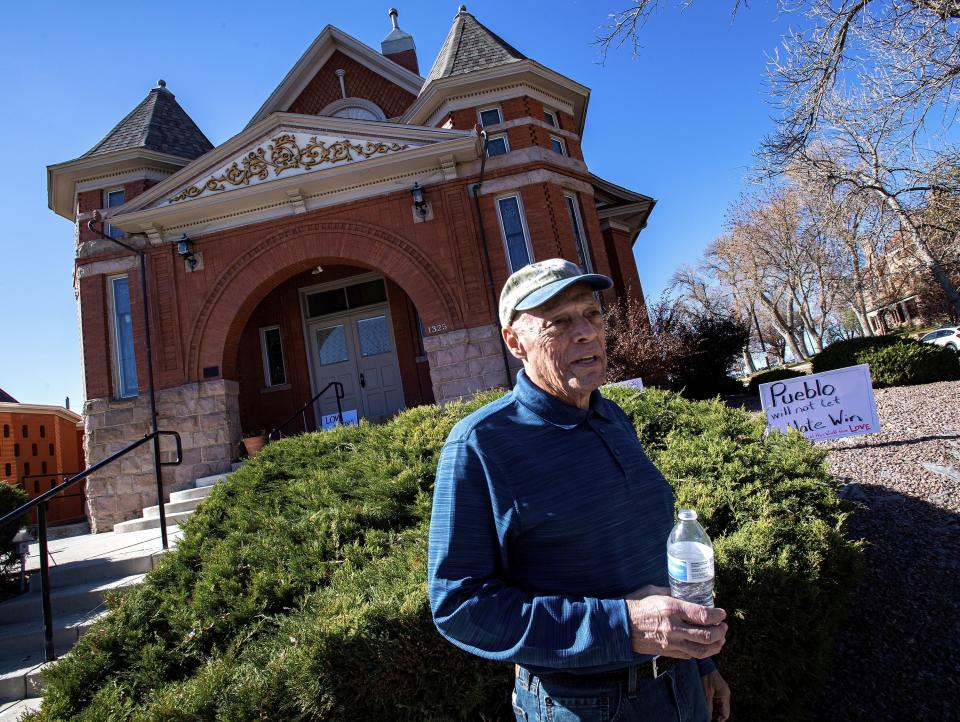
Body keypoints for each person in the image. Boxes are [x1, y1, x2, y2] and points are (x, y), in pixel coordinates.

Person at [427, 259, 732, 721]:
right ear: (515, 343)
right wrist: (621, 625)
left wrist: (701, 660)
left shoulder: (614, 417)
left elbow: (643, 552)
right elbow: (460, 604)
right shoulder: (482, 444)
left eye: (592, 315)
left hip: (677, 683)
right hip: (586, 705)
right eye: (559, 322)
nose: (586, 332)